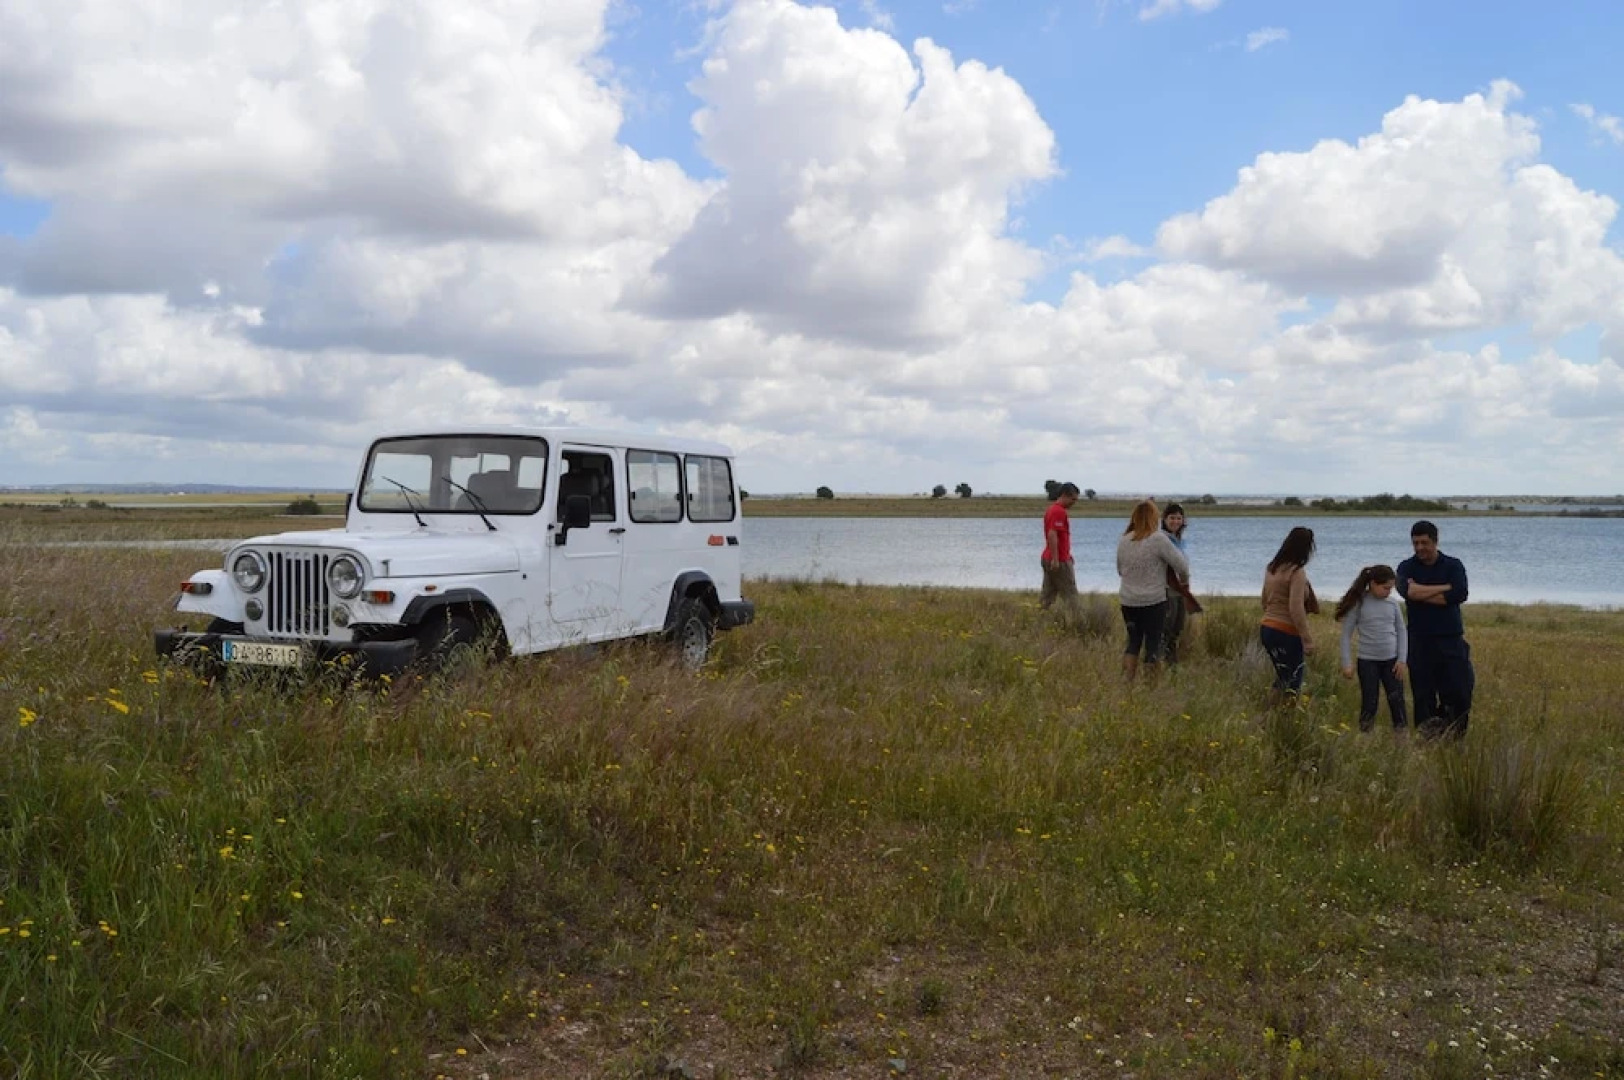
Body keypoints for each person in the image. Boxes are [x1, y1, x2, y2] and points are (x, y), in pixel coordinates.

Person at [1397, 520, 1474, 739]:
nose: (1420, 548)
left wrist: (1422, 592)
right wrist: (1444, 588)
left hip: (1451, 640)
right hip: (1420, 641)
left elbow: (1459, 594)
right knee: (1423, 695)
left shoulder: (1453, 565)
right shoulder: (1406, 567)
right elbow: (1409, 593)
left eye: (1424, 542)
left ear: (1435, 541)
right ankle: (1426, 740)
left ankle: (1453, 738)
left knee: (1459, 691)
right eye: (1415, 543)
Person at [1116, 499, 1189, 681]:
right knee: (1153, 644)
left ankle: (1128, 681)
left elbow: (1119, 570)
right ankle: (1150, 685)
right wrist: (1184, 583)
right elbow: (1182, 567)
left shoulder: (1125, 539)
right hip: (1153, 601)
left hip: (1128, 600)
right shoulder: (1158, 539)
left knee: (1133, 642)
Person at [1334, 565, 1409, 732]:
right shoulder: (1359, 604)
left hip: (1392, 661)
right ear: (1373, 584)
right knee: (1370, 702)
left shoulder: (1392, 604)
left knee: (1397, 701)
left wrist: (1402, 659)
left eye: (1391, 588)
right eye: (1385, 588)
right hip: (1367, 661)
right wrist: (1347, 663)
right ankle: (1365, 738)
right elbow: (1346, 635)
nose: (1388, 592)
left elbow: (1402, 631)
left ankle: (1402, 740)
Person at [1259, 526, 1319, 706]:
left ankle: (1270, 712)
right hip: (1286, 631)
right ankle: (1287, 718)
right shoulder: (1296, 572)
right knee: (1293, 679)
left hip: (1267, 627)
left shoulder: (1272, 568)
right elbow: (1295, 608)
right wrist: (1307, 639)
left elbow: (1264, 600)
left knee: (1282, 676)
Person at [1159, 502, 1201, 664]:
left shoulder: (1179, 540)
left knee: (1177, 629)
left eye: (1179, 518)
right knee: (1166, 629)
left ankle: (1171, 663)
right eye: (1172, 518)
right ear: (1164, 519)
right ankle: (1159, 663)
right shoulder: (1162, 538)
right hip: (1167, 590)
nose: (1176, 521)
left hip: (1180, 590)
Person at [1040, 482, 1081, 610]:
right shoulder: (1058, 512)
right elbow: (1052, 534)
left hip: (1051, 557)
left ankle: (1041, 616)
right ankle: (1076, 620)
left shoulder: (1052, 510)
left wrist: (1068, 554)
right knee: (1070, 595)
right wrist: (1057, 559)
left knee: (1048, 592)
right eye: (1073, 499)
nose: (1074, 502)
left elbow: (1060, 537)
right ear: (1064, 495)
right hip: (1058, 560)